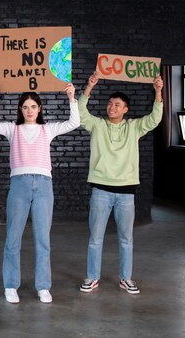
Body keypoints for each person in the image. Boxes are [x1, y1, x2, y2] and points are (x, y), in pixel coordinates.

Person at [0, 83, 79, 304]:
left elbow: (75, 122)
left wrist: (72, 98)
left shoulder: (48, 129)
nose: (29, 110)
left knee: (43, 239)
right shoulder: (11, 129)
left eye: (33, 106)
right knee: (13, 238)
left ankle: (43, 286)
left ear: (39, 109)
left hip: (44, 185)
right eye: (25, 107)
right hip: (19, 185)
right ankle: (10, 285)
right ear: (20, 109)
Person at [78, 71, 163, 295]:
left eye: (117, 104)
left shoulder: (134, 127)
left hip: (126, 193)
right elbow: (80, 112)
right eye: (109, 104)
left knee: (127, 239)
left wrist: (158, 91)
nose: (111, 107)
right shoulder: (97, 125)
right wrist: (89, 86)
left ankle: (126, 278)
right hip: (100, 191)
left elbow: (155, 118)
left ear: (125, 109)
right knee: (95, 239)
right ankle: (92, 277)